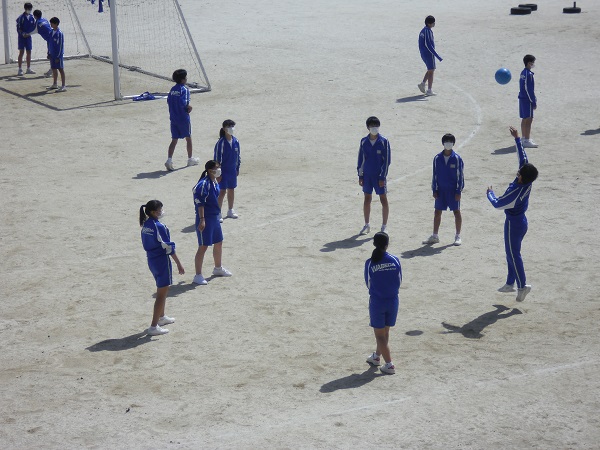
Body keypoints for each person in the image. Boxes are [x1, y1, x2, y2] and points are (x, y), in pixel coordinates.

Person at [487, 126, 538, 302]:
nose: (517, 173)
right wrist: (517, 139)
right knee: (511, 252)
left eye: (519, 174)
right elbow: (523, 158)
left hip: (514, 224)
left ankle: (522, 286)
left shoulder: (516, 192)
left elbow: (498, 204)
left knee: (513, 254)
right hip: (520, 221)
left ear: (522, 177)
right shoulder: (527, 180)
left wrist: (490, 193)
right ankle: (510, 283)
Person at [140, 200, 185, 336]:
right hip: (161, 261)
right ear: (154, 212)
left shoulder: (146, 225)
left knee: (163, 289)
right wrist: (179, 263)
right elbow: (169, 247)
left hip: (152, 260)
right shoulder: (159, 226)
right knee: (161, 293)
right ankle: (154, 326)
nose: (162, 211)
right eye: (160, 210)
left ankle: (161, 317)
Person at [364, 232, 402, 375]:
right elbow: (399, 280)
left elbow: (368, 283)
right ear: (387, 244)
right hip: (393, 300)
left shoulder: (370, 263)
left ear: (374, 244)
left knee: (380, 335)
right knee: (385, 331)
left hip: (377, 302)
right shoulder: (395, 260)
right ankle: (376, 357)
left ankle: (389, 364)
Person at [192, 160, 233, 285]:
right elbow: (200, 203)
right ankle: (198, 275)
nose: (219, 169)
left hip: (214, 217)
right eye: (217, 167)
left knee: (218, 242)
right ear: (210, 170)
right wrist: (202, 219)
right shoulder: (203, 184)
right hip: (206, 218)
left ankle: (218, 268)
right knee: (203, 246)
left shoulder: (214, 181)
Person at [423, 133, 464, 246]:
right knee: (437, 212)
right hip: (441, 190)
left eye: (450, 142)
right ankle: (435, 235)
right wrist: (434, 189)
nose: (448, 144)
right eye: (446, 141)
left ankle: (458, 236)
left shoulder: (457, 159)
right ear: (443, 143)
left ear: (453, 143)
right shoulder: (437, 158)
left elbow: (460, 176)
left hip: (453, 190)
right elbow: (435, 174)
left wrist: (458, 191)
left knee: (456, 211)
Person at [357, 116, 391, 235]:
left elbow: (387, 161)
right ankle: (367, 225)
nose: (374, 128)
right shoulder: (364, 141)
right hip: (367, 175)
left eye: (376, 126)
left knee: (383, 199)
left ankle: (384, 226)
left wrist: (382, 177)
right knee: (367, 199)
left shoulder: (384, 141)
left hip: (378, 176)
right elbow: (361, 159)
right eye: (372, 126)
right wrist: (360, 175)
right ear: (368, 127)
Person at [165, 69, 200, 171]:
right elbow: (184, 102)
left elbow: (168, 101)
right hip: (183, 118)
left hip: (173, 118)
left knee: (174, 140)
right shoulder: (184, 89)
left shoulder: (172, 89)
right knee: (188, 138)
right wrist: (189, 107)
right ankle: (190, 159)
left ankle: (169, 160)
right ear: (183, 79)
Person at [213, 119, 241, 223]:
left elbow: (238, 156)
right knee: (222, 191)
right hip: (223, 171)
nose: (231, 128)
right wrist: (217, 173)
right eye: (229, 127)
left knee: (231, 189)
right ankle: (218, 213)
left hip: (232, 170)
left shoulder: (236, 141)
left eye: (232, 126)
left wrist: (237, 168)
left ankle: (230, 210)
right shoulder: (221, 143)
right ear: (224, 129)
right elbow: (217, 159)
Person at [417, 15, 443, 96]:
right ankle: (429, 90)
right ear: (429, 23)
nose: (434, 24)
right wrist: (437, 56)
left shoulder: (423, 30)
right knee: (431, 70)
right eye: (433, 22)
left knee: (430, 69)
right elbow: (428, 45)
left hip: (423, 52)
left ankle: (423, 84)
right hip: (428, 53)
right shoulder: (427, 31)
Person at [519, 54, 538, 148]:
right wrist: (533, 101)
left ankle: (523, 138)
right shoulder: (529, 75)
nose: (533, 64)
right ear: (529, 63)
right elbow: (529, 90)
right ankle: (527, 140)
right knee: (529, 119)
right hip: (527, 100)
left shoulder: (523, 72)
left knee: (524, 118)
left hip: (522, 98)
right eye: (533, 62)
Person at [16, 2, 36, 76]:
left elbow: (34, 27)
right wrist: (23, 34)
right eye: (28, 9)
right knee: (21, 52)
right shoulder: (21, 17)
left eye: (30, 9)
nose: (29, 10)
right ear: (25, 9)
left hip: (28, 37)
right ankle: (20, 69)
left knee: (29, 52)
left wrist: (30, 33)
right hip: (22, 38)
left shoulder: (31, 17)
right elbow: (18, 28)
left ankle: (28, 68)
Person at [32, 10, 53, 78]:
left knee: (51, 55)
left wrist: (26, 34)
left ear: (35, 16)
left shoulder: (37, 23)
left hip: (50, 40)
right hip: (52, 37)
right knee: (51, 55)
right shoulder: (45, 19)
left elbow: (34, 31)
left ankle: (52, 71)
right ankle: (52, 70)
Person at [48, 17, 66, 92]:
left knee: (60, 69)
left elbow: (61, 46)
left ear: (56, 24)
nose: (51, 24)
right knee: (54, 68)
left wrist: (58, 56)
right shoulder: (51, 32)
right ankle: (55, 84)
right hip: (52, 54)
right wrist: (49, 52)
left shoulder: (60, 34)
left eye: (52, 23)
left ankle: (63, 86)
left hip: (58, 55)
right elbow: (49, 43)